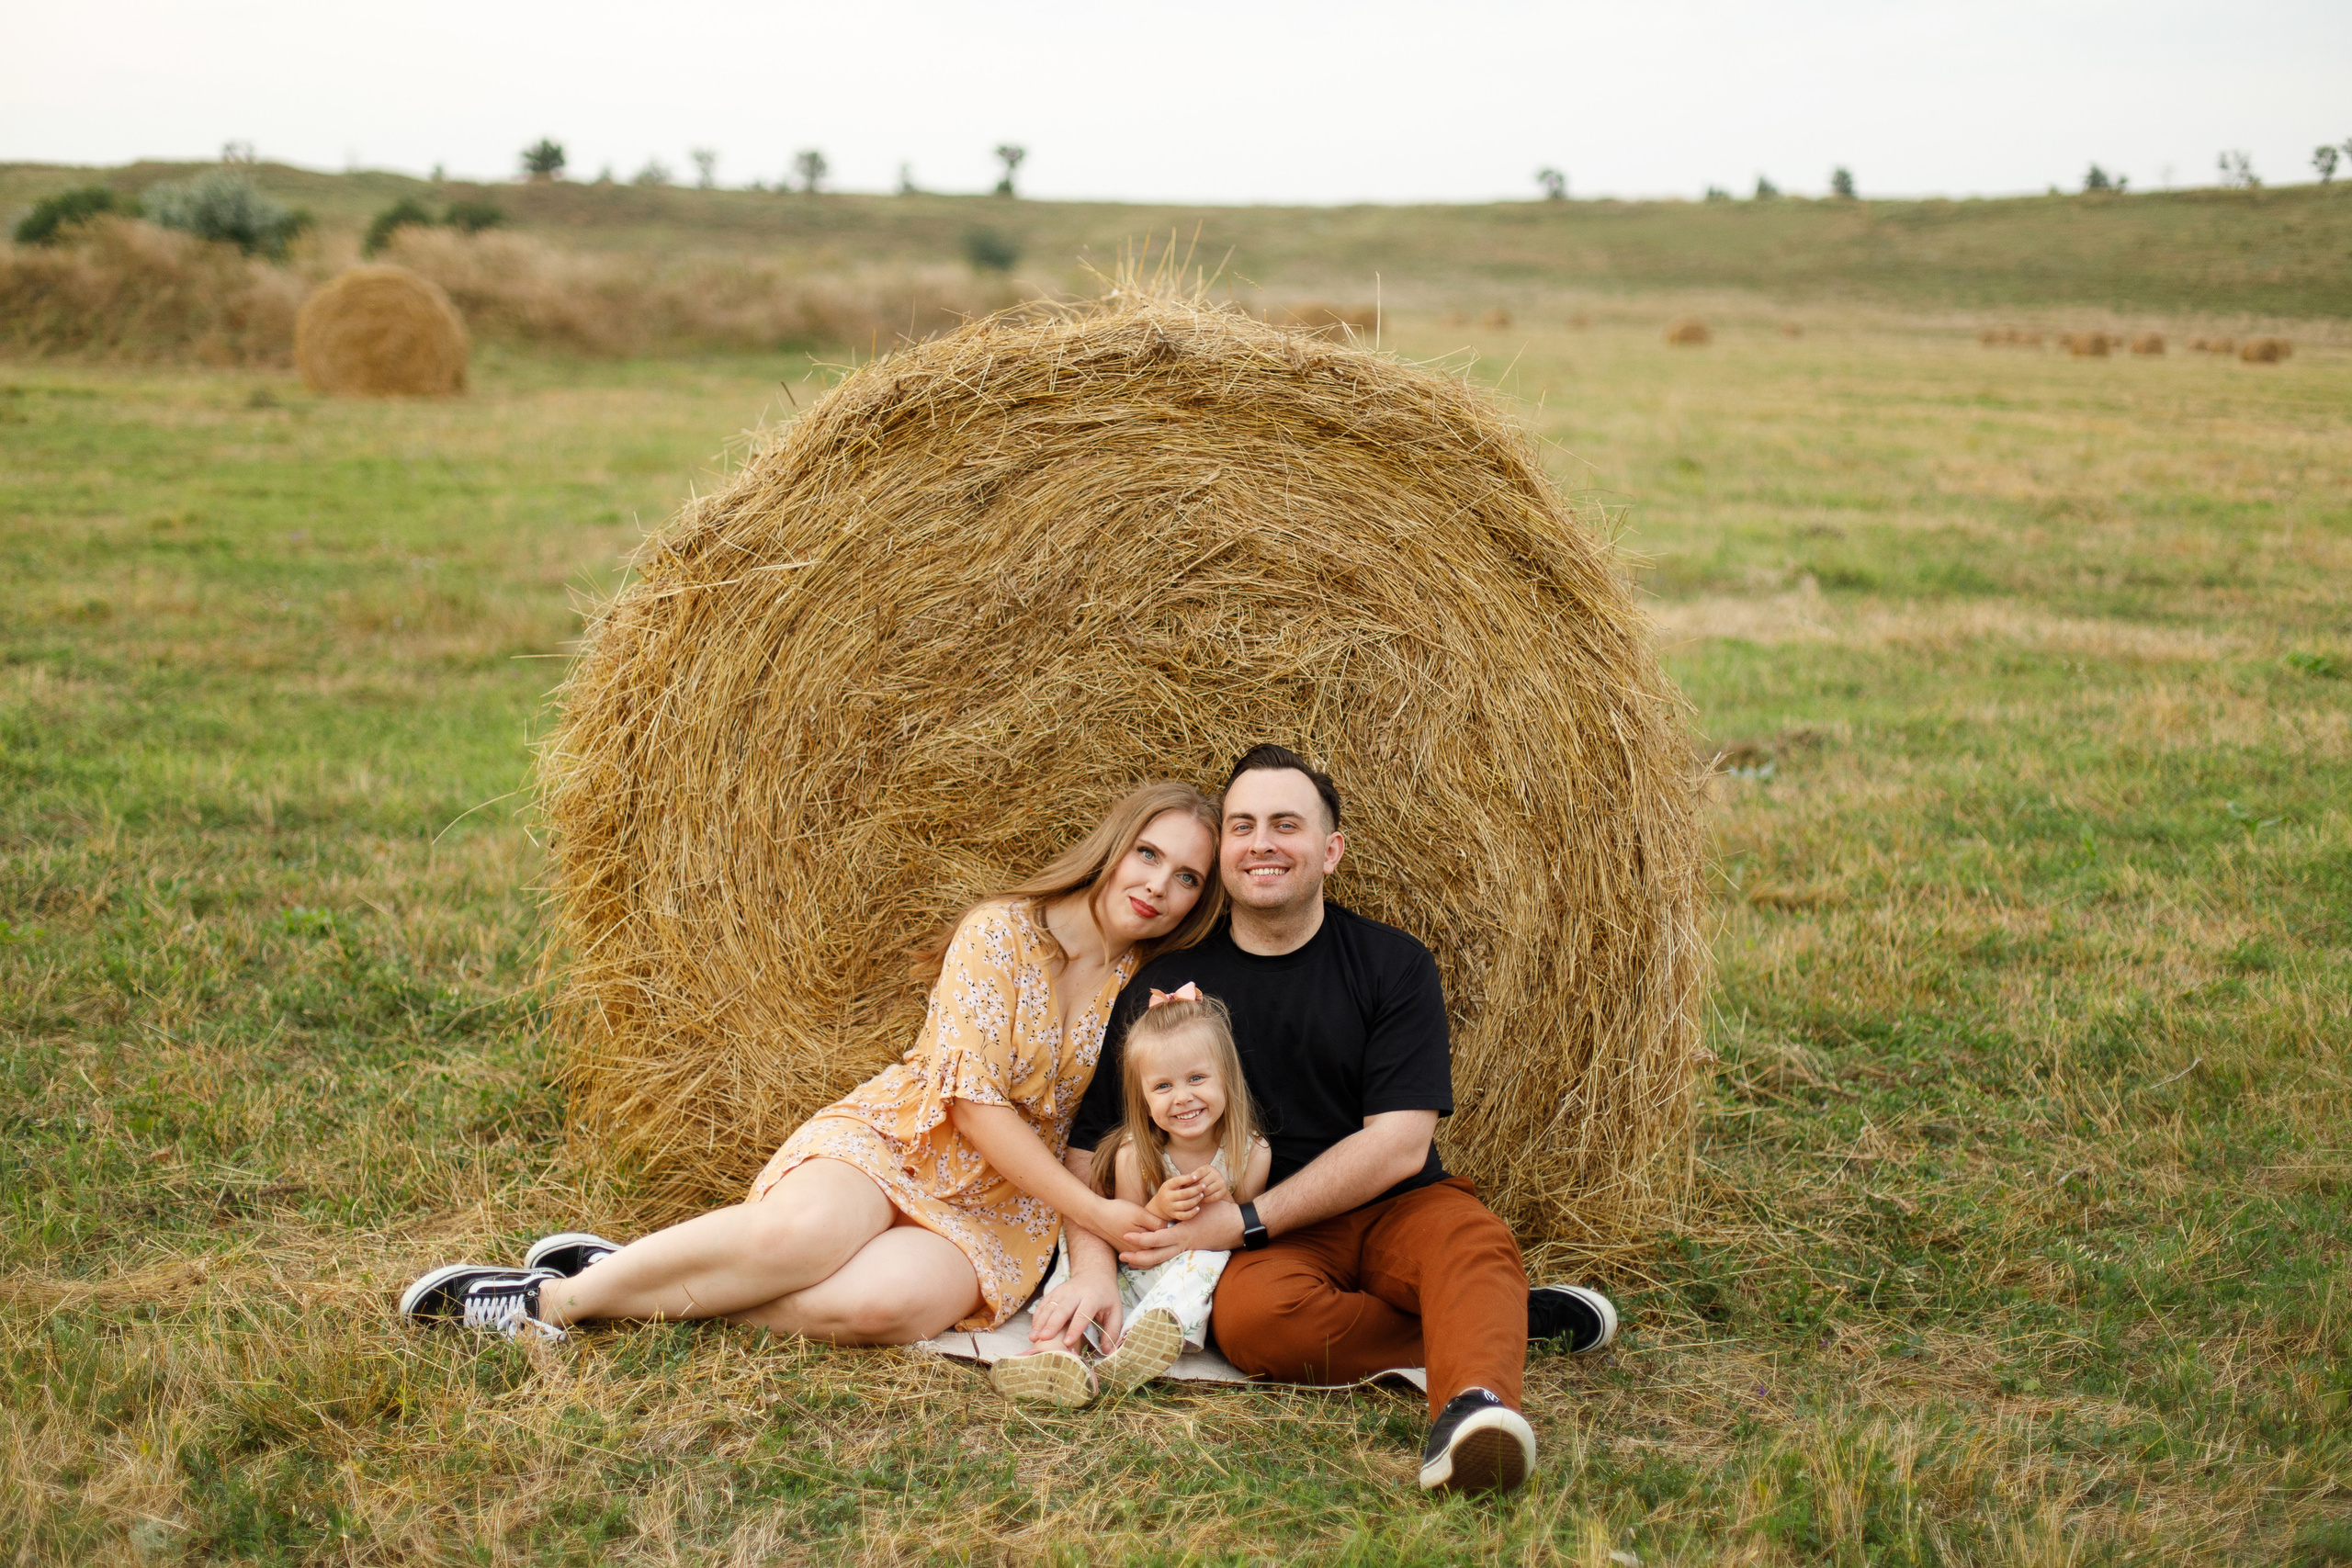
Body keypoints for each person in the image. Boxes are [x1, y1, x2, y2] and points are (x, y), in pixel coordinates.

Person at [399, 781, 1223, 1348]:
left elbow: (1098, 1130)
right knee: (800, 1237)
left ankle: (628, 1276)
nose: (1159, 885)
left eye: (1187, 877)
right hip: (907, 1136)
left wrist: (1093, 1256)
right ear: (1115, 846)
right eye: (1148, 854)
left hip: (1004, 1205)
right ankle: (548, 1301)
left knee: (881, 1306)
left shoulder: (1145, 987)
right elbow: (970, 1104)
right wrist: (1096, 1214)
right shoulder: (1001, 931)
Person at [1034, 745, 1619, 1495]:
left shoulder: (1392, 962)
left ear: (1330, 849)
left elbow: (1401, 1144)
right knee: (1253, 1326)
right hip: (1277, 1249)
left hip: (1386, 1205)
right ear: (1223, 857)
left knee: (1471, 1239)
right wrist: (1094, 1264)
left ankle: (1474, 1408)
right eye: (1242, 826)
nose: (1262, 843)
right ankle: (1497, 1318)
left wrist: (1241, 1220)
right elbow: (1088, 1150)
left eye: (1287, 824)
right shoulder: (1169, 988)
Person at [991, 983, 1271, 1404]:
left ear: (1227, 1078)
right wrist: (1158, 1206)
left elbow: (1242, 1231)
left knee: (1207, 1258)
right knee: (1078, 1247)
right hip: (1133, 1267)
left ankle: (1136, 1347)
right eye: (1163, 1087)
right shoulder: (1136, 1154)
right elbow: (1126, 1231)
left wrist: (1224, 1200)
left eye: (1197, 1078)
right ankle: (1054, 1348)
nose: (1183, 1098)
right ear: (1143, 1098)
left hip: (1183, 1278)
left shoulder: (1251, 1152)